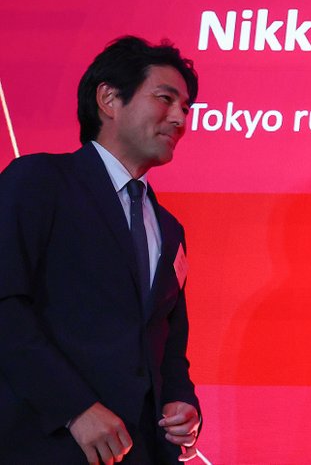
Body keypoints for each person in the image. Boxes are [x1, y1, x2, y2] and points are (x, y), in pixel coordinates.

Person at [0, 36, 203, 464]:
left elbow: (167, 346)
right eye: (165, 99)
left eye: (186, 108)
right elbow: (5, 305)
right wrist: (73, 408)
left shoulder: (169, 228)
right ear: (109, 99)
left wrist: (183, 405)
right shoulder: (38, 181)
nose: (180, 118)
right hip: (46, 443)